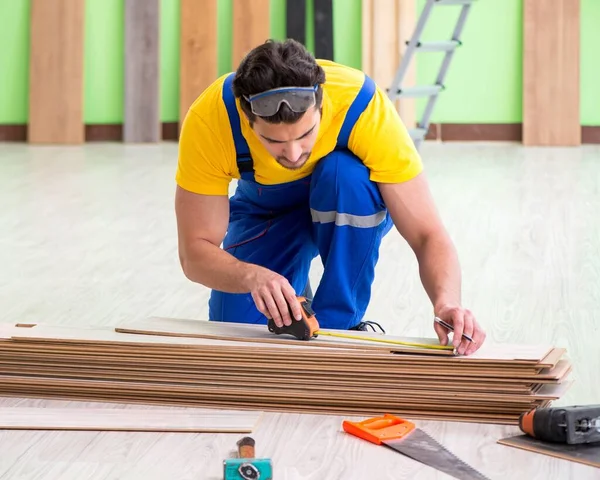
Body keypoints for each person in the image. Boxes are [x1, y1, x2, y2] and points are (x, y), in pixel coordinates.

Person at [174, 39, 486, 356]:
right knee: (238, 339)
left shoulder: (361, 104)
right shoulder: (212, 119)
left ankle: (341, 324)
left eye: (305, 134)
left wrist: (447, 302)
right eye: (274, 141)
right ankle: (293, 289)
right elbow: (194, 252)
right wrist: (252, 276)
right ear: (247, 118)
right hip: (266, 211)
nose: (294, 154)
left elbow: (427, 233)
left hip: (342, 200)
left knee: (345, 176)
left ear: (322, 104)